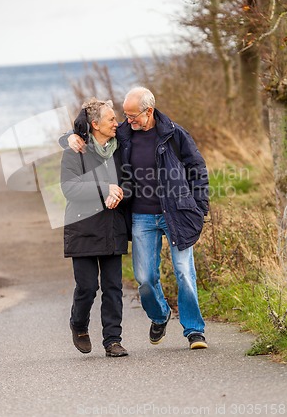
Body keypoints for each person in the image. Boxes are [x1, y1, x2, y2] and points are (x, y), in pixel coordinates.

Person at [68, 87, 209, 350]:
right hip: (142, 216)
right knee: (144, 278)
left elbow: (197, 168)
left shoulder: (174, 134)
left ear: (149, 111)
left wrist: (200, 207)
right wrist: (69, 137)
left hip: (176, 212)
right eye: (125, 116)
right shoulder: (124, 133)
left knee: (184, 273)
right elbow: (90, 130)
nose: (127, 121)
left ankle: (194, 331)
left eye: (133, 116)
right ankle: (160, 315)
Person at [59, 98, 129, 357]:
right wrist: (104, 190)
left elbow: (132, 179)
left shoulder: (120, 148)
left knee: (113, 287)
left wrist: (119, 192)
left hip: (113, 226)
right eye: (111, 119)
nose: (116, 123)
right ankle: (78, 324)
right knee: (87, 287)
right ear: (95, 124)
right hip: (83, 228)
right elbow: (70, 188)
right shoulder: (75, 151)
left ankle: (113, 340)